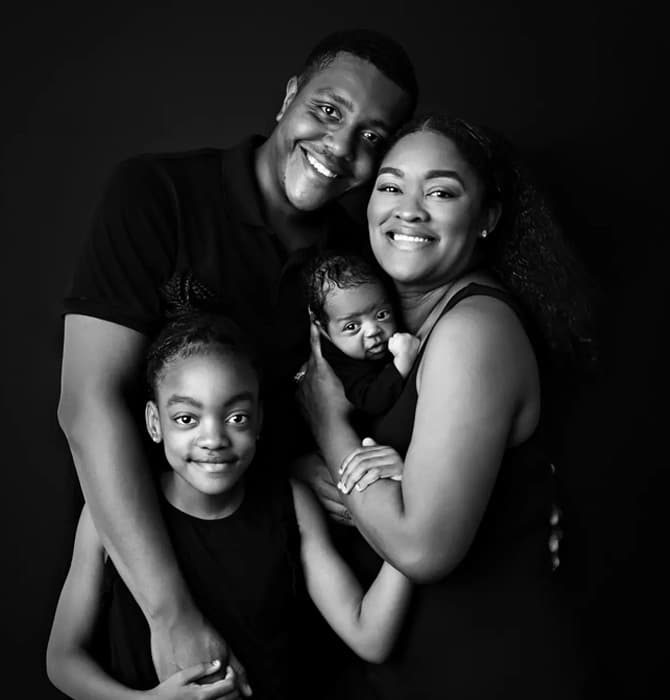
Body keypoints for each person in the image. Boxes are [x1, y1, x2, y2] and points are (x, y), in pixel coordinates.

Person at [57, 28, 417, 690]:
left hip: (280, 578)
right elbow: (86, 403)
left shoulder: (357, 259)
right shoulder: (156, 192)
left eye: (373, 138)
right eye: (330, 111)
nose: (340, 148)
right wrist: (171, 617)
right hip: (151, 572)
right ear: (288, 97)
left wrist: (511, 497)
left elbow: (403, 388)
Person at [296, 114, 594, 698]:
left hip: (493, 671)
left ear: (486, 218)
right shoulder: (377, 327)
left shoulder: (472, 330)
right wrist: (310, 469)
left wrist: (326, 420)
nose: (408, 208)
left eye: (440, 190)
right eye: (390, 185)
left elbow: (423, 546)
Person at [47, 310, 411, 700]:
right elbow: (63, 660)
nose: (213, 438)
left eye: (236, 417)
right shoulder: (106, 516)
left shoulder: (292, 504)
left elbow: (370, 636)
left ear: (258, 421)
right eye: (186, 418)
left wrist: (410, 500)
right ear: (155, 423)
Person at [303, 251, 420, 421]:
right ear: (322, 328)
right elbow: (372, 401)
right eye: (352, 326)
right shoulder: (337, 361)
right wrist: (402, 361)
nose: (373, 331)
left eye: (382, 315)